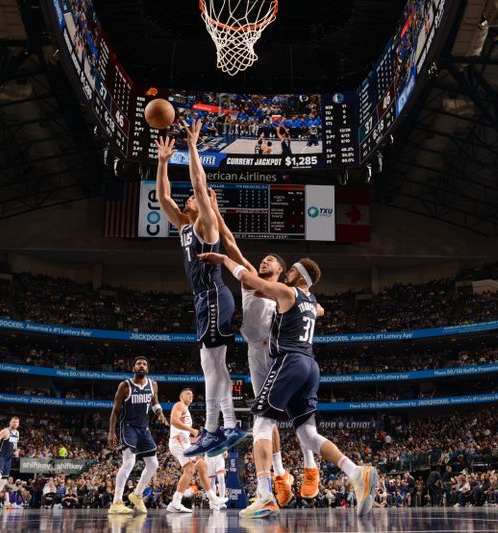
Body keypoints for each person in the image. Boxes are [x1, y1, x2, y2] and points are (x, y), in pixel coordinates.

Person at [198, 252, 378, 518]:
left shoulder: (288, 293)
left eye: (292, 270)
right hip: (310, 366)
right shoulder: (311, 301)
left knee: (261, 424)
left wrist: (224, 259)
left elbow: (248, 278)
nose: (289, 272)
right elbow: (319, 309)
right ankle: (356, 472)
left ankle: (265, 496)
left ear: (298, 275)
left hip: (290, 361)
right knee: (308, 435)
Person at [211, 203, 323, 506]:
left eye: (270, 260)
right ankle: (280, 474)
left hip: (281, 353)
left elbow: (317, 308)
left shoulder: (290, 294)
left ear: (281, 271)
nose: (264, 261)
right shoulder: (253, 280)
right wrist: (215, 211)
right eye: (262, 259)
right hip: (255, 352)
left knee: (296, 413)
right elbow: (231, 242)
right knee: (266, 416)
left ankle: (310, 466)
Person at [154, 124, 247, 458]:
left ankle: (210, 429)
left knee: (210, 365)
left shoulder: (205, 224)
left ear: (206, 202)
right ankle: (231, 424)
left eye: (193, 197)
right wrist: (163, 161)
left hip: (212, 295)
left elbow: (198, 182)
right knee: (215, 366)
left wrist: (192, 147)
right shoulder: (183, 225)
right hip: (206, 299)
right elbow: (163, 197)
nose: (187, 197)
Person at [107, 357, 169, 515]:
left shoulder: (153, 384)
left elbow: (155, 403)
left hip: (144, 428)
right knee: (129, 462)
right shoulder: (125, 386)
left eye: (145, 364)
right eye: (139, 363)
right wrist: (111, 431)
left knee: (153, 463)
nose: (142, 366)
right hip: (128, 427)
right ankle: (117, 502)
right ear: (133, 368)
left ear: (147, 369)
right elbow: (115, 410)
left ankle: (137, 495)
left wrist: (160, 413)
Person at [167, 388, 227, 512]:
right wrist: (192, 430)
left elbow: (185, 433)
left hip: (184, 442)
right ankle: (175, 502)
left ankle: (213, 499)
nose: (191, 396)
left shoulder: (186, 411)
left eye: (192, 395)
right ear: (180, 395)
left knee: (202, 465)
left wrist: (199, 439)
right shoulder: (179, 405)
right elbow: (173, 421)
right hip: (178, 441)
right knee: (189, 469)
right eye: (187, 393)